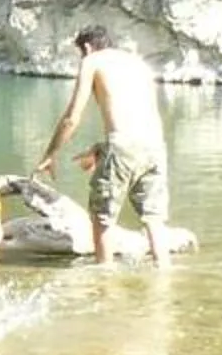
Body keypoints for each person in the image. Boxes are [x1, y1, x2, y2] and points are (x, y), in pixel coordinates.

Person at [33, 23, 173, 267]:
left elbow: (71, 118)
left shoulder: (92, 61)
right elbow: (136, 118)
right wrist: (102, 148)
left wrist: (50, 154)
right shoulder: (137, 64)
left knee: (102, 217)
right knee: (153, 218)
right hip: (155, 147)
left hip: (123, 147)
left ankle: (104, 274)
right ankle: (164, 271)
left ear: (87, 47)